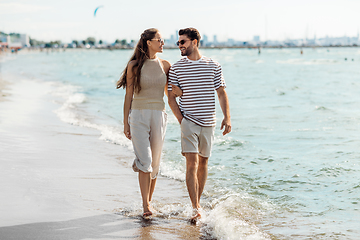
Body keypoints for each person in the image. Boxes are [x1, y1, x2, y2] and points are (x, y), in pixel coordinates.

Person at [168, 27, 231, 222]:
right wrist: (182, 120)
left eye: (183, 42)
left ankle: (198, 202)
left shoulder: (213, 65)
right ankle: (195, 207)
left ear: (194, 42)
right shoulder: (176, 68)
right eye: (179, 42)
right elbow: (171, 98)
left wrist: (227, 118)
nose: (179, 45)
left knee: (204, 162)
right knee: (191, 163)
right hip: (189, 122)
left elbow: (221, 92)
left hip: (209, 122)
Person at [117, 28, 180, 218]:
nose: (163, 43)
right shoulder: (134, 66)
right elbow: (128, 95)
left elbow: (171, 95)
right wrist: (125, 123)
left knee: (155, 164)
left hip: (159, 115)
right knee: (146, 161)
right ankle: (146, 206)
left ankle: (149, 201)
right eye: (159, 40)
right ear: (148, 43)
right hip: (138, 115)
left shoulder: (166, 65)